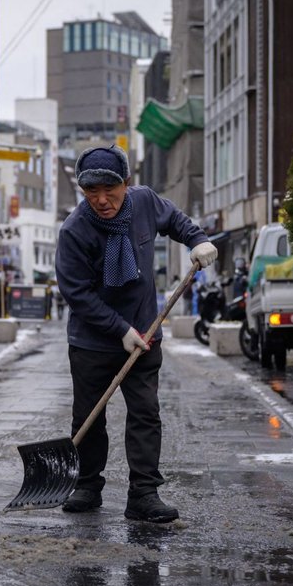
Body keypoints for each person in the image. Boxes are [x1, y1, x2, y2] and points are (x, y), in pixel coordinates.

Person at [55, 144, 218, 523]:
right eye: (90, 192)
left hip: (145, 332)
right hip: (93, 340)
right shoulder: (75, 231)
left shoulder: (145, 203)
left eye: (109, 190)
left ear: (126, 183)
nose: (100, 200)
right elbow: (77, 294)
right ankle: (87, 485)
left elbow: (175, 220)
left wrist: (197, 239)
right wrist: (118, 329)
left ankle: (143, 494)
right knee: (88, 417)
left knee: (145, 413)